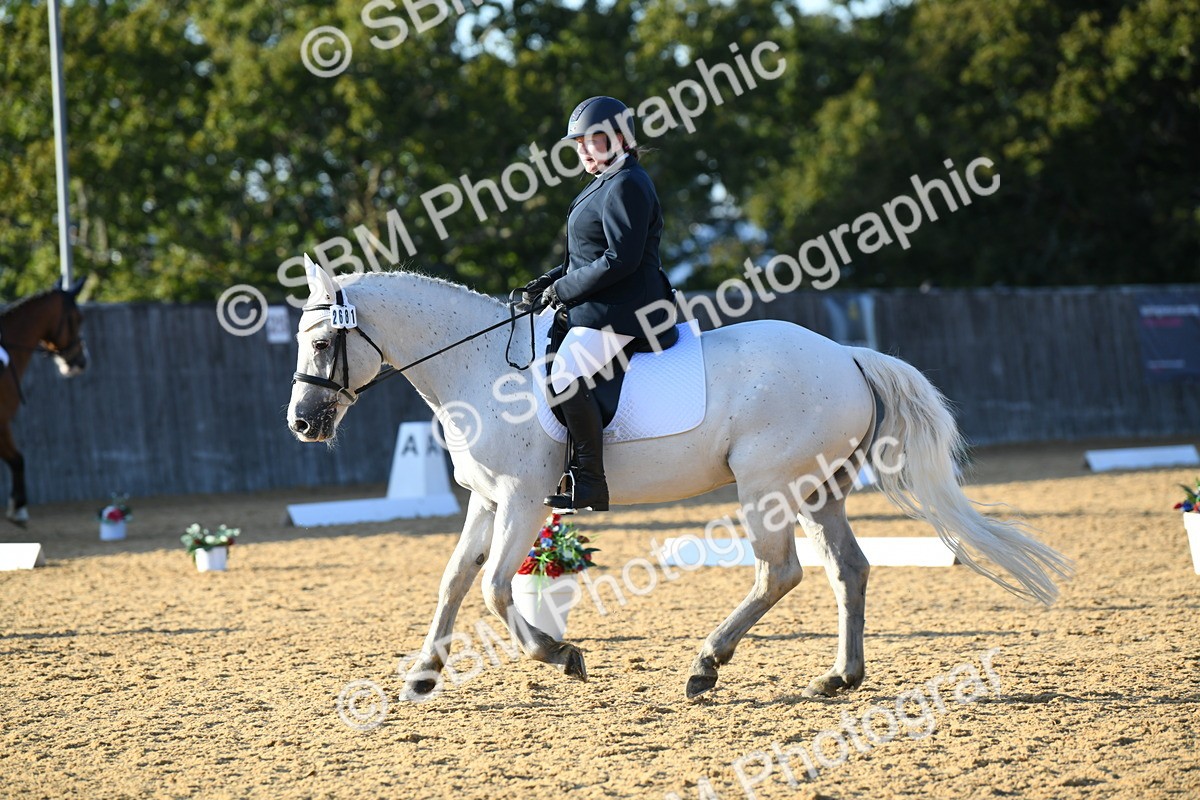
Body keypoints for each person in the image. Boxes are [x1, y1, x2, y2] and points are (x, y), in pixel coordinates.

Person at [523, 96, 678, 512]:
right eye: (578, 143)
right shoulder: (605, 180)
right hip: (603, 302)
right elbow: (587, 255)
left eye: (592, 140)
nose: (583, 150)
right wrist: (550, 281)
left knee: (566, 373)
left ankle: (590, 479)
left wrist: (566, 291)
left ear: (619, 138)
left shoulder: (629, 182)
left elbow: (620, 259)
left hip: (628, 307)